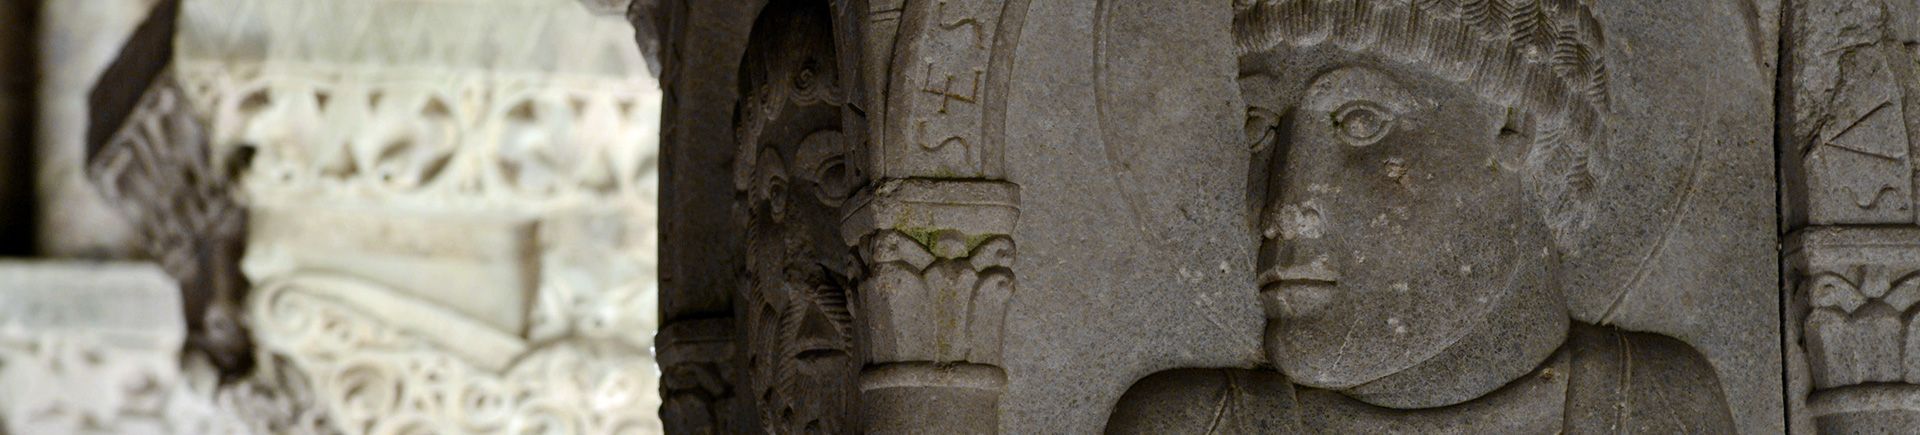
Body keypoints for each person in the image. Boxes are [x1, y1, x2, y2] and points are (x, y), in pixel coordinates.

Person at [1108, 1, 1733, 432]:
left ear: (1519, 126)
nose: (1281, 207)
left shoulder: (1658, 410)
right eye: (1262, 131)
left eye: (1359, 122)